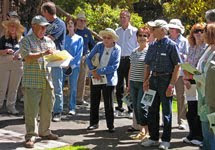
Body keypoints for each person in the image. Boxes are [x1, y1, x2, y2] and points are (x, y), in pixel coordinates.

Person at [20, 15, 58, 148]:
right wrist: (43, 53)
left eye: (45, 27)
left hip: (47, 80)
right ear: (33, 26)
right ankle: (30, 136)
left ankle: (45, 132)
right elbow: (26, 57)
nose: (43, 29)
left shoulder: (49, 41)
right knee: (32, 111)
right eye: (41, 27)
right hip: (32, 81)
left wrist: (62, 60)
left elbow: (54, 57)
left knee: (47, 108)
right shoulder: (26, 40)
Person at [141, 20, 181, 150]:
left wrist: (171, 85)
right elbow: (147, 65)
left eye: (154, 28)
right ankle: (153, 138)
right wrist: (145, 80)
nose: (151, 31)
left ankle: (166, 140)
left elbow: (177, 66)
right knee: (152, 110)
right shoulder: (152, 45)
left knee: (166, 111)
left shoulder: (171, 45)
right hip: (154, 80)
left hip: (165, 80)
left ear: (162, 30)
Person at [86, 28, 121, 133]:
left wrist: (99, 71)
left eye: (108, 38)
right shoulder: (99, 45)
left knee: (108, 103)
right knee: (94, 101)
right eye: (104, 37)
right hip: (95, 77)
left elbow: (114, 66)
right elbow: (88, 58)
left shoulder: (117, 49)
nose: (106, 40)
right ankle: (93, 123)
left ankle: (110, 125)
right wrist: (93, 70)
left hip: (108, 79)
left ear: (113, 39)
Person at [41, 1, 66, 122]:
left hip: (56, 58)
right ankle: (45, 111)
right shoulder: (43, 23)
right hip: (44, 57)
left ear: (47, 12)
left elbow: (49, 38)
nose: (43, 15)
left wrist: (38, 38)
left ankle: (57, 111)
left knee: (57, 85)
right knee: (44, 86)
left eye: (43, 12)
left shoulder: (60, 24)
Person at [182, 23, 206, 146]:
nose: (198, 33)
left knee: (198, 110)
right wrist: (185, 79)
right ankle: (192, 133)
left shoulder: (206, 48)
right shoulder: (191, 47)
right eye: (196, 31)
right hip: (189, 81)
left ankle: (200, 136)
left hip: (200, 81)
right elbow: (186, 63)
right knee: (190, 109)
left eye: (201, 31)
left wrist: (191, 77)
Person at [193, 23, 215, 150]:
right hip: (202, 93)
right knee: (205, 125)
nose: (202, 35)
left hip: (212, 94)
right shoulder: (208, 49)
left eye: (205, 32)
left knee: (212, 129)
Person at [127, 27, 150, 140]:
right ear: (137, 38)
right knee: (135, 108)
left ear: (148, 38)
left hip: (143, 84)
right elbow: (131, 68)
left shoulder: (149, 51)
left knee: (142, 107)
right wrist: (128, 83)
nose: (142, 38)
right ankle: (142, 130)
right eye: (140, 35)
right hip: (133, 82)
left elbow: (149, 68)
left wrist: (147, 82)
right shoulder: (134, 52)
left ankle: (146, 131)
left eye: (144, 36)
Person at [115, 10, 138, 118]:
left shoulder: (134, 31)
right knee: (119, 85)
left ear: (129, 18)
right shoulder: (117, 31)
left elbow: (137, 46)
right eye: (121, 17)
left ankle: (131, 109)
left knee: (130, 85)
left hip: (130, 59)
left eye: (124, 17)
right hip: (120, 59)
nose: (122, 19)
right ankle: (119, 107)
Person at [168, 19, 189, 130]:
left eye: (173, 28)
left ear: (178, 30)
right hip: (168, 72)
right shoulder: (167, 40)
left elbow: (187, 56)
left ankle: (182, 120)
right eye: (170, 28)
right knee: (167, 95)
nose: (171, 30)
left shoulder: (184, 41)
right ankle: (167, 119)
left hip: (180, 73)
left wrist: (178, 55)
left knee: (181, 96)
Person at [0, 18, 24, 114]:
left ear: (18, 28)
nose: (13, 28)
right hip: (4, 63)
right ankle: (0, 104)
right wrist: (5, 51)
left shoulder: (22, 40)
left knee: (14, 87)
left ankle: (11, 107)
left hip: (17, 64)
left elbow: (25, 52)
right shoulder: (3, 38)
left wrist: (19, 55)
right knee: (2, 87)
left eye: (15, 26)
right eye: (11, 26)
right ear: (8, 27)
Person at [63, 18, 83, 115]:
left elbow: (79, 54)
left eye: (72, 23)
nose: (70, 25)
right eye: (68, 23)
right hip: (63, 66)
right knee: (60, 86)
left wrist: (71, 64)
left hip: (74, 67)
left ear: (74, 26)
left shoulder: (79, 38)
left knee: (73, 87)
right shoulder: (64, 38)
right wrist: (65, 64)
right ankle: (60, 106)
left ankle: (72, 107)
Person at [75, 12, 95, 106]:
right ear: (77, 21)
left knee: (82, 79)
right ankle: (72, 98)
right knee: (73, 79)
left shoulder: (87, 32)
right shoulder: (73, 30)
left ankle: (79, 99)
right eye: (80, 20)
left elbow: (92, 45)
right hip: (74, 58)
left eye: (84, 20)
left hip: (84, 57)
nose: (82, 22)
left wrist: (92, 56)